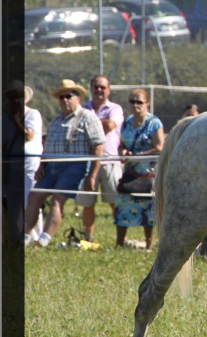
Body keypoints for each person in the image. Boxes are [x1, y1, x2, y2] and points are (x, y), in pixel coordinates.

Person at [24, 79, 105, 247]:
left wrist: (92, 175)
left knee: (57, 200)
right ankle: (25, 237)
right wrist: (42, 165)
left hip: (74, 166)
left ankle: (44, 240)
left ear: (78, 98)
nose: (65, 99)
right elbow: (47, 145)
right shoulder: (56, 119)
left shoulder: (88, 117)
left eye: (69, 96)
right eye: (62, 97)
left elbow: (98, 146)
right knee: (34, 196)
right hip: (51, 166)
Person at [114, 89, 164, 250]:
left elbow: (159, 147)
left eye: (139, 102)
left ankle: (149, 245)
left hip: (148, 171)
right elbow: (121, 144)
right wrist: (122, 151)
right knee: (123, 204)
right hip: (130, 171)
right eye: (132, 101)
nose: (135, 105)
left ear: (147, 104)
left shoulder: (154, 123)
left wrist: (138, 155)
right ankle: (119, 243)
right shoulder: (127, 122)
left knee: (147, 208)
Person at [75, 75, 124, 241]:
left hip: (110, 162)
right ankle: (87, 238)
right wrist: (98, 122)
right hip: (88, 164)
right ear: (91, 89)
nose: (99, 90)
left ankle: (120, 239)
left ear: (109, 90)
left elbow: (110, 126)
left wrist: (89, 122)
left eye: (103, 87)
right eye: (96, 86)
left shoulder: (115, 109)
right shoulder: (83, 108)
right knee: (88, 203)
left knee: (115, 203)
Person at [2, 81, 43, 243]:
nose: (16, 101)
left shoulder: (33, 114)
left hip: (30, 166)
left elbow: (28, 136)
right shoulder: (4, 120)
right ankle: (16, 236)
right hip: (12, 167)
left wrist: (16, 121)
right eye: (12, 98)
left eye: (19, 97)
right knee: (13, 204)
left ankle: (35, 236)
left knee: (31, 201)